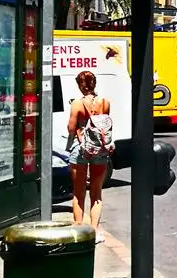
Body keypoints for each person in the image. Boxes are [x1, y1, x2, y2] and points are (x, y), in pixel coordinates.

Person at [66, 70, 111, 238]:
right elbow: (104, 126)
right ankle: (95, 230)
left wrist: (77, 128)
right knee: (96, 193)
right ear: (95, 84)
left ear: (80, 85)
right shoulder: (105, 102)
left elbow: (71, 129)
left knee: (79, 192)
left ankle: (79, 228)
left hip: (81, 149)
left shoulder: (77, 104)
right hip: (100, 149)